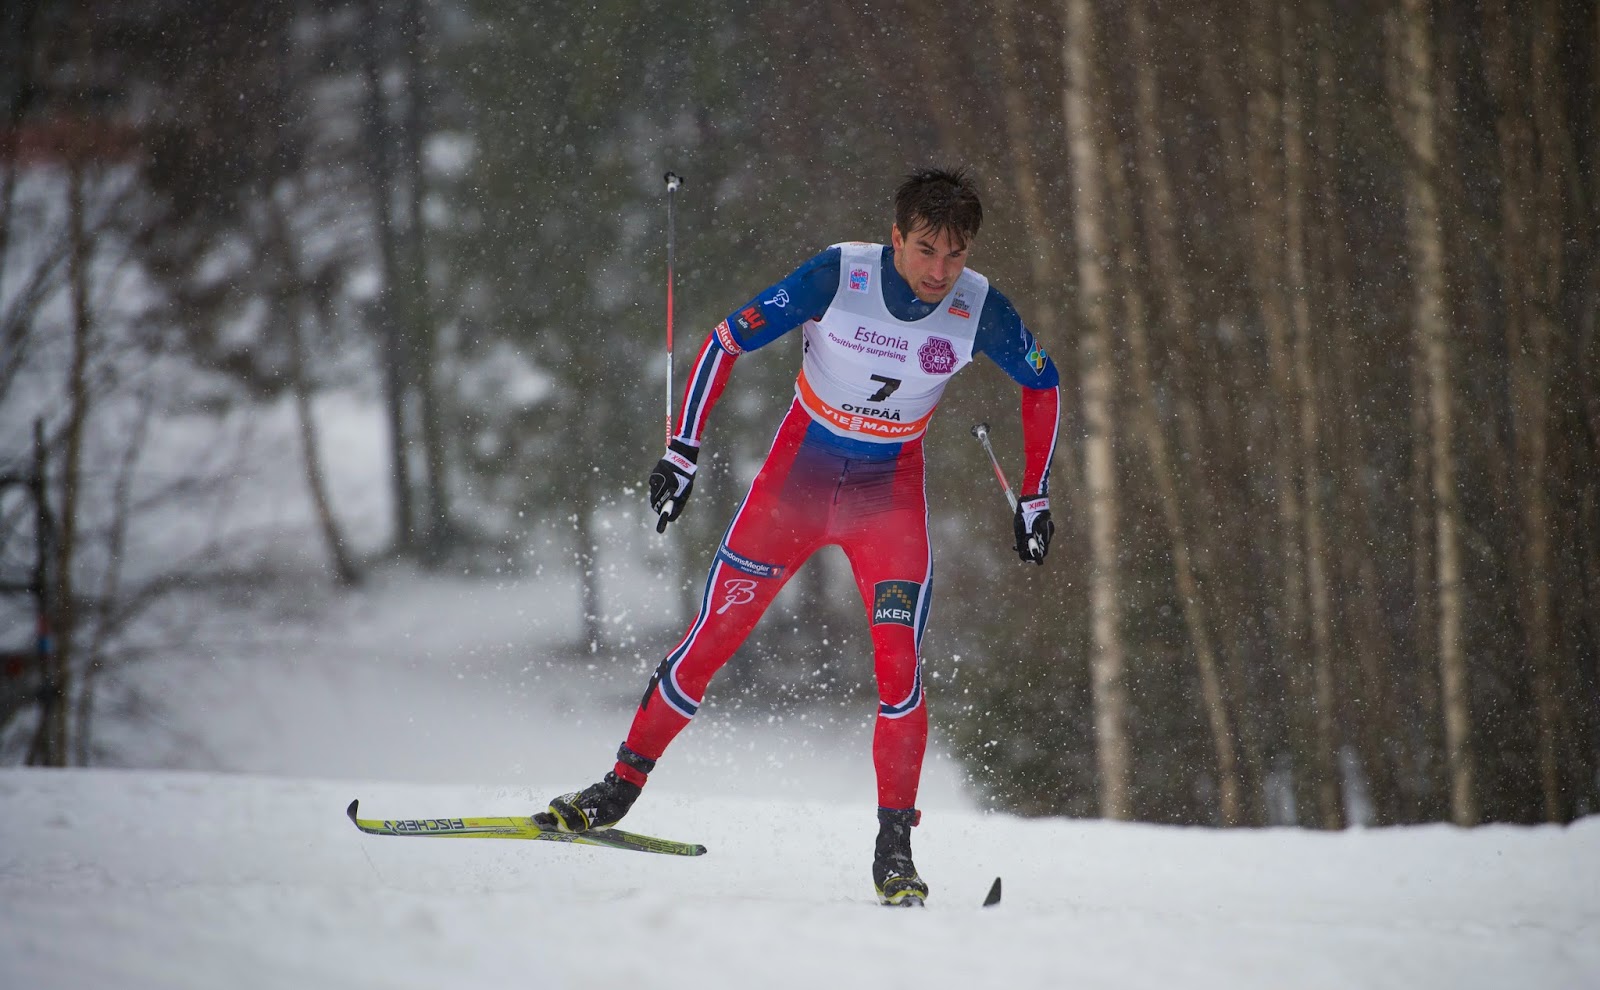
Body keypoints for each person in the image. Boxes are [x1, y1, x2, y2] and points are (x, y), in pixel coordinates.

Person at [534, 166, 1061, 906]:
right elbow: (725, 341)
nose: (940, 271)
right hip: (797, 483)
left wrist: (1034, 495)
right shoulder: (839, 275)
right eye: (926, 249)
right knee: (711, 639)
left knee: (898, 666)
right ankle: (616, 789)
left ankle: (894, 851)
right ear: (896, 237)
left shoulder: (979, 307)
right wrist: (683, 451)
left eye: (956, 254)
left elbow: (1043, 382)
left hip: (887, 498)